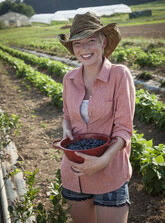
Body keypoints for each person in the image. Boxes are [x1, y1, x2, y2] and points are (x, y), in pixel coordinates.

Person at [58, 12, 135, 223]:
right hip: (75, 172)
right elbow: (67, 115)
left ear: (103, 42)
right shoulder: (69, 79)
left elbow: (123, 129)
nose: (84, 49)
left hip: (110, 172)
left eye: (91, 41)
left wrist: (102, 161)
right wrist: (66, 129)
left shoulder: (120, 75)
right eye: (77, 44)